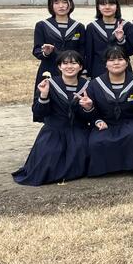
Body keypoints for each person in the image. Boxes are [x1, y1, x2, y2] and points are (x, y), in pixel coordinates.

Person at [13, 50, 90, 186]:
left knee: (81, 151)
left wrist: (88, 107)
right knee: (49, 156)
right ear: (59, 66)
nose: (69, 66)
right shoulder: (49, 84)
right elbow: (39, 112)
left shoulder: (88, 86)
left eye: (74, 63)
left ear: (80, 67)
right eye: (65, 63)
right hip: (54, 131)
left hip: (78, 130)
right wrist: (43, 95)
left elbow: (92, 115)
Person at [81, 46, 133, 177]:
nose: (116, 63)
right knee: (96, 141)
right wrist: (93, 114)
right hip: (106, 123)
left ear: (127, 62)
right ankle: (105, 169)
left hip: (130, 122)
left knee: (132, 136)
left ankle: (130, 167)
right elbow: (92, 114)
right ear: (105, 63)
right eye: (111, 60)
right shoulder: (95, 84)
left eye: (120, 59)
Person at [32, 0, 86, 87]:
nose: (61, 6)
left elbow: (82, 52)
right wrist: (46, 53)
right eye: (56, 3)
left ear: (70, 4)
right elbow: (37, 50)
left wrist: (83, 72)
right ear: (51, 6)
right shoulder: (42, 25)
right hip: (49, 70)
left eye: (64, 2)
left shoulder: (79, 27)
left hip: (72, 72)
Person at [85, 0, 133, 77]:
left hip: (122, 71)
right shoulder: (92, 27)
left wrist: (121, 40)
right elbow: (89, 53)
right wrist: (87, 73)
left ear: (117, 6)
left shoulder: (125, 25)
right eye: (103, 4)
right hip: (99, 71)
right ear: (98, 7)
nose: (107, 7)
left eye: (111, 4)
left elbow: (130, 51)